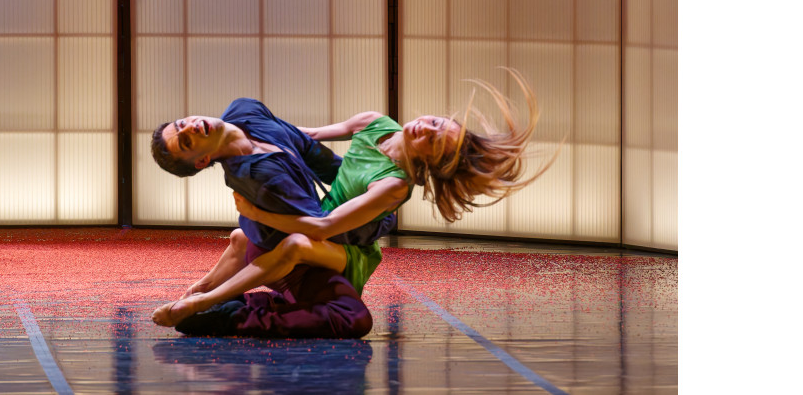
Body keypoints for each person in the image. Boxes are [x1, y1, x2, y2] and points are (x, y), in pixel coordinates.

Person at [153, 68, 554, 328]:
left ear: (432, 162)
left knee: (293, 243)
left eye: (432, 141)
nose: (422, 130)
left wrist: (258, 210)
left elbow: (325, 227)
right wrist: (256, 134)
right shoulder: (374, 123)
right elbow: (305, 138)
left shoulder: (395, 184)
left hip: (347, 247)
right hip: (324, 217)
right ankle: (195, 291)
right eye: (434, 123)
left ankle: (201, 304)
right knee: (242, 238)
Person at [150, 97, 396, 337]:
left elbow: (314, 154)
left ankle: (200, 293)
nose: (191, 127)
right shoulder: (260, 177)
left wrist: (367, 184)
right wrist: (381, 215)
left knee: (244, 239)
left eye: (182, 124)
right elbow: (323, 227)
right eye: (186, 142)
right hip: (292, 259)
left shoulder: (245, 110)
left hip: (264, 238)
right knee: (352, 318)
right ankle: (228, 315)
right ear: (202, 160)